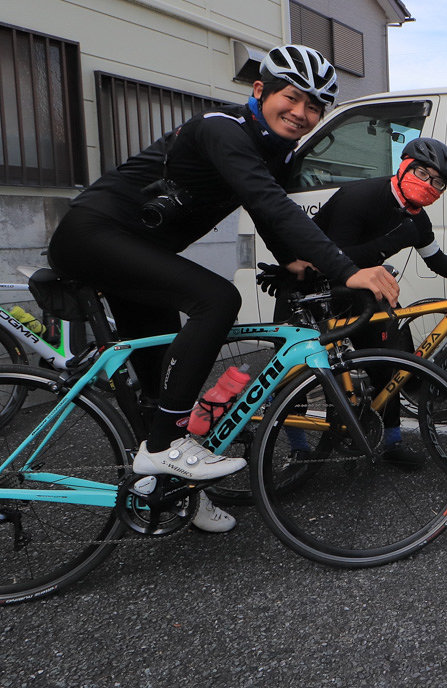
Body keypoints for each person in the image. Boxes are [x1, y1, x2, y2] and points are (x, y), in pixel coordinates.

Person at [47, 44, 399, 533]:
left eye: (314, 105)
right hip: (94, 235)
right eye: (292, 98)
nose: (301, 113)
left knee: (162, 381)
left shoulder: (272, 147)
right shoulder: (222, 129)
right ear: (260, 91)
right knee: (217, 298)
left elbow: (268, 213)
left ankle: (171, 493)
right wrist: (345, 268)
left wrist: (297, 265)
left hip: (137, 253)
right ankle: (167, 447)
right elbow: (269, 203)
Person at [268, 136, 447, 464]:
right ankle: (298, 449)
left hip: (359, 292)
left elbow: (435, 259)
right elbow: (333, 258)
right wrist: (388, 243)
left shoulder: (417, 217)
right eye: (422, 173)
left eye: (438, 182)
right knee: (295, 375)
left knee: (389, 364)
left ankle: (391, 442)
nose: (429, 184)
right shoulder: (358, 197)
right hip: (307, 288)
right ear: (404, 166)